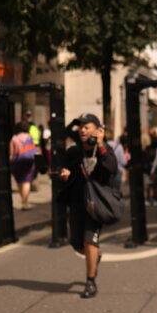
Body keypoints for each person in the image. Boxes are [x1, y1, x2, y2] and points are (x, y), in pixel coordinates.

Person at [59, 113, 117, 298]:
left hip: (96, 203)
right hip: (76, 201)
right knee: (76, 244)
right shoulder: (73, 151)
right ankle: (95, 257)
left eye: (86, 126)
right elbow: (65, 167)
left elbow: (111, 168)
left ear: (98, 130)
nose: (82, 129)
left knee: (90, 241)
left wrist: (100, 143)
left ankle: (90, 282)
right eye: (80, 127)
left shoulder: (104, 149)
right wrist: (65, 173)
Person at [9, 121, 37, 210]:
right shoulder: (29, 137)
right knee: (27, 181)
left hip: (16, 162)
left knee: (20, 182)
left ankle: (23, 200)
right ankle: (25, 202)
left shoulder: (14, 138)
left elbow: (11, 153)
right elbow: (33, 150)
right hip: (28, 162)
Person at [22, 111, 43, 191]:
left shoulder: (27, 127)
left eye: (29, 116)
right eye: (27, 116)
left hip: (31, 148)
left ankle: (31, 185)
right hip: (34, 148)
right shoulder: (34, 127)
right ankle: (33, 185)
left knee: (32, 168)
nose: (28, 117)